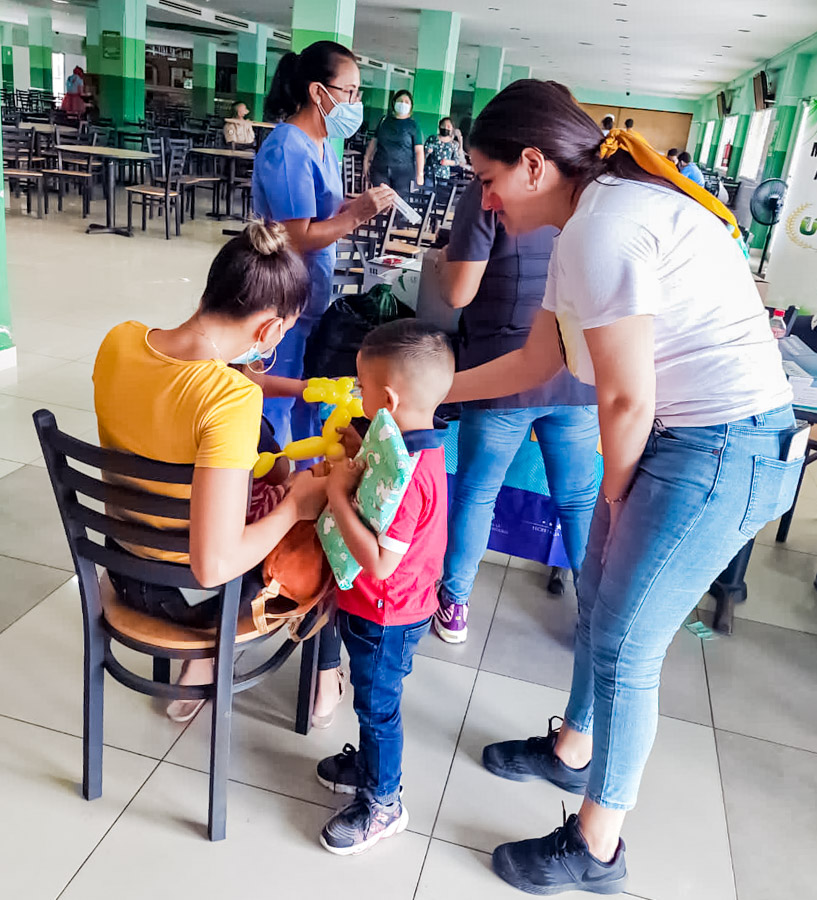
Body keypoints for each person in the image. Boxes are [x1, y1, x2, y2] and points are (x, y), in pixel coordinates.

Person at [446, 80, 799, 895]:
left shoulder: (603, 225)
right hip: (694, 441)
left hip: (722, 449)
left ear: (532, 164)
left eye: (489, 180)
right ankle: (571, 749)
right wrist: (428, 393)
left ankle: (596, 849)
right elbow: (536, 362)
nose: (485, 201)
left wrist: (613, 496)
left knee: (624, 645)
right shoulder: (585, 220)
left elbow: (625, 400)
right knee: (599, 606)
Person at [93, 222, 335, 723]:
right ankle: (325, 676)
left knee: (265, 463)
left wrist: (301, 388)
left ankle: (207, 662)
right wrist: (296, 504)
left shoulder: (119, 341)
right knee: (331, 520)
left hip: (123, 568)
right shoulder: (231, 400)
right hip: (195, 595)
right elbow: (212, 565)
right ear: (269, 331)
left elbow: (194, 380)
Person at [433, 178, 599, 644]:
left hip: (501, 372)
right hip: (576, 372)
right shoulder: (586, 188)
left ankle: (454, 605)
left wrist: (444, 261)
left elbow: (459, 293)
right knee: (578, 500)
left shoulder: (487, 190)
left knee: (477, 493)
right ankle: (595, 617)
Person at [315, 320, 455, 855]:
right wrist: (359, 448)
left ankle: (384, 803)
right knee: (371, 696)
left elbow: (377, 562)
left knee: (378, 708)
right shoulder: (411, 441)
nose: (358, 396)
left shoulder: (408, 475)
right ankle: (372, 766)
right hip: (387, 607)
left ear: (389, 400)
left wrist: (336, 495)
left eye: (362, 388)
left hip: (386, 612)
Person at [253, 41, 395, 450]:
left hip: (310, 293)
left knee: (309, 392)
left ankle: (307, 469)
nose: (355, 102)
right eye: (349, 92)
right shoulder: (287, 148)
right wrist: (356, 216)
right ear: (319, 92)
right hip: (283, 297)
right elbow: (295, 237)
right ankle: (273, 475)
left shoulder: (322, 146)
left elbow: (321, 211)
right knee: (279, 395)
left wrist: (355, 205)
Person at [364, 90, 425, 197]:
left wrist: (420, 174)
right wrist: (366, 160)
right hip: (380, 169)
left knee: (399, 203)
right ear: (394, 102)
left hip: (403, 173)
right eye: (400, 101)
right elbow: (374, 142)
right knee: (380, 200)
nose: (403, 104)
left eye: (406, 102)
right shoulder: (384, 121)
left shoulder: (413, 126)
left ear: (411, 106)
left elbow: (419, 151)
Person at [423, 116, 463, 187]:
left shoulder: (454, 144)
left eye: (448, 126)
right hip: (430, 174)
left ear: (452, 128)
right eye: (443, 125)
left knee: (441, 193)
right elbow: (423, 156)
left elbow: (457, 161)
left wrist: (448, 162)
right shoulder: (432, 139)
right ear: (439, 126)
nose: (445, 128)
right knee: (427, 192)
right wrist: (427, 152)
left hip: (444, 176)